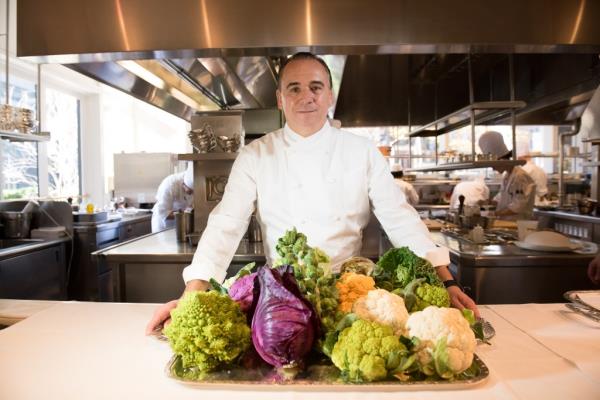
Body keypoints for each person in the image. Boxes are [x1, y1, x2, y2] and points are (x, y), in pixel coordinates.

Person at [146, 53, 479, 334]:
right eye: (294, 88)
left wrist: (446, 281)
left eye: (316, 87)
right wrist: (192, 294)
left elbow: (399, 217)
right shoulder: (256, 154)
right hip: (281, 302)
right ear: (280, 99)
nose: (306, 97)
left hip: (351, 300)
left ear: (329, 95)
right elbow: (226, 224)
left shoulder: (361, 152)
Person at [478, 131, 536, 220]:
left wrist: (495, 213)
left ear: (501, 161)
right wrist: (490, 202)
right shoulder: (506, 176)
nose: (493, 169)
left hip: (519, 224)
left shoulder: (519, 177)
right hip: (507, 223)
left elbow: (518, 206)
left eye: (493, 165)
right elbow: (501, 197)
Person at [150, 163, 194, 232]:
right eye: (189, 191)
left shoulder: (195, 182)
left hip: (181, 226)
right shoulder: (170, 184)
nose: (191, 194)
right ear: (183, 184)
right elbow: (162, 212)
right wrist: (186, 214)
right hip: (163, 227)